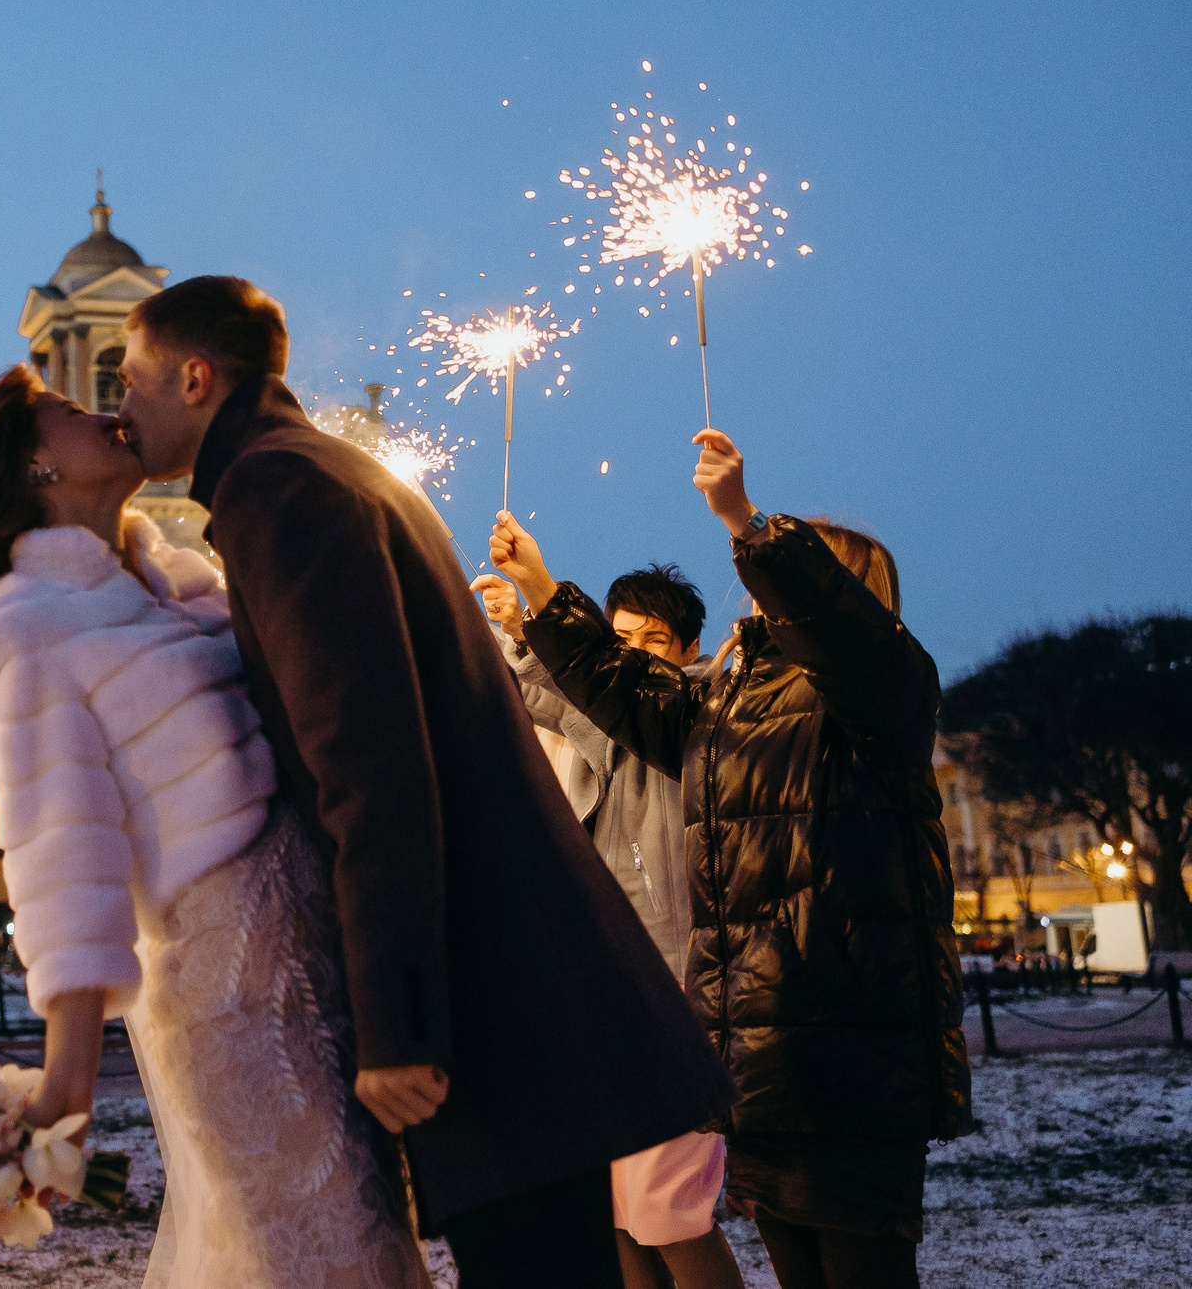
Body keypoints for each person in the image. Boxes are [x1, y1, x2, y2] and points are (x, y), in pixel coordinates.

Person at [114, 276, 735, 1289]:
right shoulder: (322, 471)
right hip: (522, 974)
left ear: (194, 377)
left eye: (128, 378)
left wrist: (399, 1023)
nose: (117, 406)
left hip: (489, 993)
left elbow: (370, 766)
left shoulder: (274, 490)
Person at [0, 367, 431, 1289]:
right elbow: (59, 846)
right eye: (68, 412)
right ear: (34, 465)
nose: (103, 410)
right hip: (227, 988)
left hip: (319, 952)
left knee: (375, 1237)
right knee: (319, 1249)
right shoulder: (19, 626)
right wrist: (67, 1075)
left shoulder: (185, 579)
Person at [491, 431, 973, 1289]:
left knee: (859, 1269)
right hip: (757, 1049)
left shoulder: (881, 694)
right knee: (793, 1260)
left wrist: (749, 523)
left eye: (781, 579)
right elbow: (621, 692)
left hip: (852, 1051)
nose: (750, 590)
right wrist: (539, 589)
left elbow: (838, 631)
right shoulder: (728, 710)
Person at [474, 563, 741, 1289]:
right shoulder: (608, 722)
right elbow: (545, 694)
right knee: (616, 1206)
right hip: (608, 990)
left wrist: (534, 603)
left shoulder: (699, 715)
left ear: (689, 650)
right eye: (618, 638)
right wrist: (518, 625)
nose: (632, 653)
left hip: (683, 988)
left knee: (666, 1207)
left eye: (654, 640)